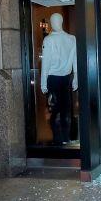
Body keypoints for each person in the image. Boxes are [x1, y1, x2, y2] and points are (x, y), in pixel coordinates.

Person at [41, 13, 78, 146]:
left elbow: (46, 63)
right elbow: (75, 61)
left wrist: (43, 83)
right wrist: (76, 78)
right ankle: (65, 139)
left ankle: (58, 140)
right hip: (66, 78)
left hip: (53, 79)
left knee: (55, 110)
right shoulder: (71, 38)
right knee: (65, 109)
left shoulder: (49, 40)